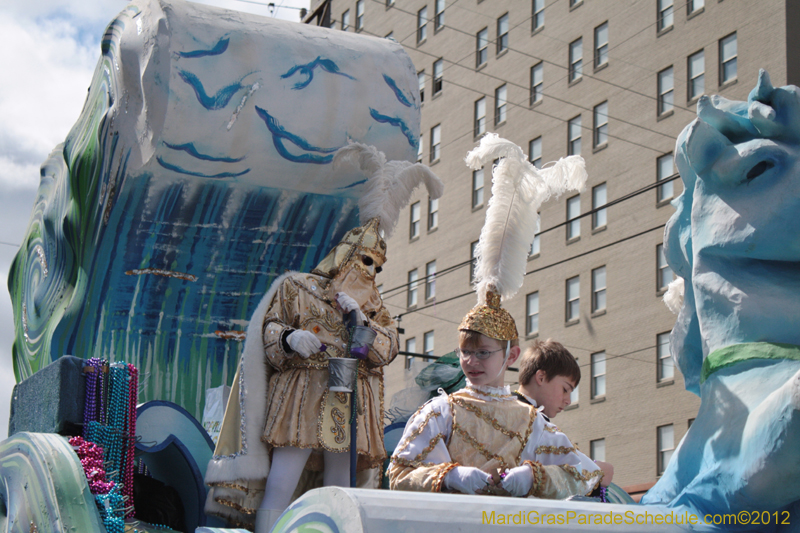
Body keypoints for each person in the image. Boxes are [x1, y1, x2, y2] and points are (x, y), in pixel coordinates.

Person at [204, 143, 443, 533]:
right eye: (364, 260)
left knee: (340, 486)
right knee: (282, 478)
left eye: (378, 266)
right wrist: (290, 339)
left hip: (347, 394)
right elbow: (269, 328)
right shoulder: (297, 286)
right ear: (345, 255)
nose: (371, 271)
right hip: (301, 391)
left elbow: (387, 348)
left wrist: (359, 319)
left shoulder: (374, 305)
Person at [515, 339, 614, 487]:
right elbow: (597, 475)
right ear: (541, 377)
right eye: (565, 389)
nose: (568, 400)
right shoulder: (536, 424)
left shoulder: (496, 407)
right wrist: (600, 469)